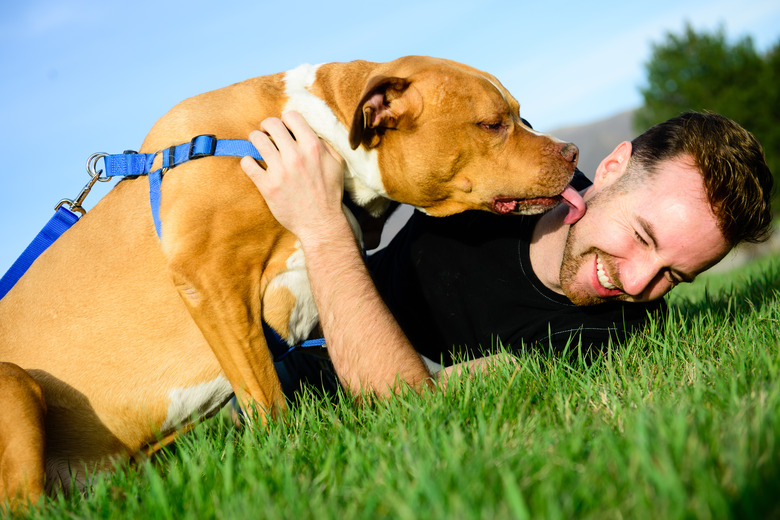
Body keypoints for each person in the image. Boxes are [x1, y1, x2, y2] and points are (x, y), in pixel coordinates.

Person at [239, 110, 774, 399]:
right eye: (642, 236)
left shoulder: (606, 337)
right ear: (611, 169)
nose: (636, 285)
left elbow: (404, 400)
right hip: (278, 304)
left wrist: (322, 227)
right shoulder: (510, 169)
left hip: (312, 379)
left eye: (672, 276)